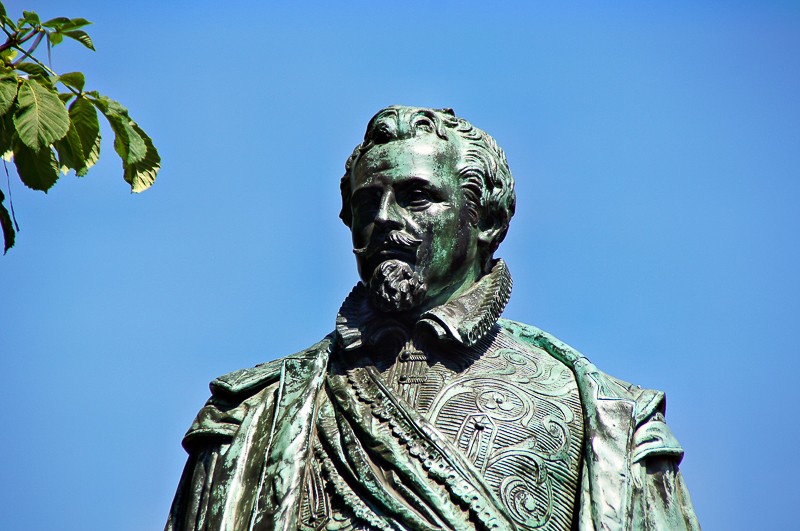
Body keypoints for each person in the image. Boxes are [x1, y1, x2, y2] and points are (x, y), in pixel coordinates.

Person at [166, 106, 699, 531]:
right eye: (367, 203)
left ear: (487, 220)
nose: (383, 219)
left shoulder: (607, 420)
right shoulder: (249, 418)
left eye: (416, 197)